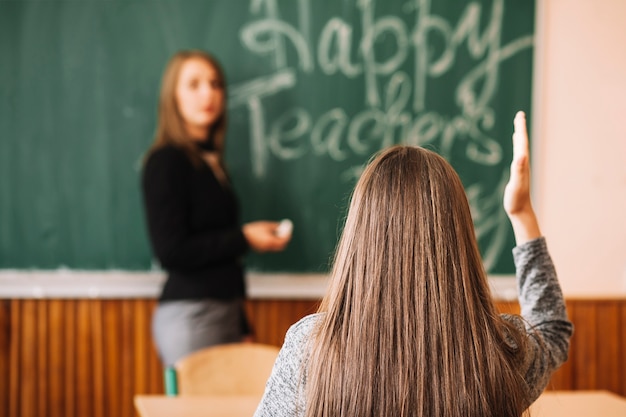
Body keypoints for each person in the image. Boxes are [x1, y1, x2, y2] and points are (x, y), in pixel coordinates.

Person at [253, 112, 573, 417]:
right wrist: (521, 213)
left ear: (358, 238)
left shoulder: (311, 350)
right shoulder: (499, 351)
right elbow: (552, 330)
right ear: (458, 236)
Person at [141, 50, 291, 367]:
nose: (207, 93)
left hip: (224, 312)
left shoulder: (212, 164)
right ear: (173, 98)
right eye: (193, 85)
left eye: (215, 83)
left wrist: (241, 324)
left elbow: (221, 260)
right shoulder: (166, 161)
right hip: (191, 315)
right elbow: (171, 250)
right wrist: (245, 238)